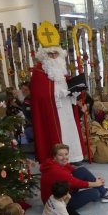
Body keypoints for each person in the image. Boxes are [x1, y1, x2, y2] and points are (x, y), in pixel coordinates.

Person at [29, 25, 83, 164]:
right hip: (52, 111)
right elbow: (39, 96)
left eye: (56, 54)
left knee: (69, 130)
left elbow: (65, 84)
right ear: (44, 56)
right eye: (50, 54)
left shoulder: (60, 69)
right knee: (57, 134)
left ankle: (71, 157)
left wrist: (73, 92)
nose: (53, 56)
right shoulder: (39, 73)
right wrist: (57, 95)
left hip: (65, 108)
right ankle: (58, 160)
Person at [39, 143, 108, 215]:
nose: (64, 157)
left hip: (61, 193)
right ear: (54, 156)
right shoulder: (56, 171)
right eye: (60, 155)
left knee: (81, 170)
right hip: (56, 203)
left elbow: (73, 171)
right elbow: (77, 183)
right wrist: (96, 184)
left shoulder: (53, 162)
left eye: (66, 154)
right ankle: (103, 191)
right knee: (94, 193)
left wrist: (96, 181)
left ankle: (104, 192)